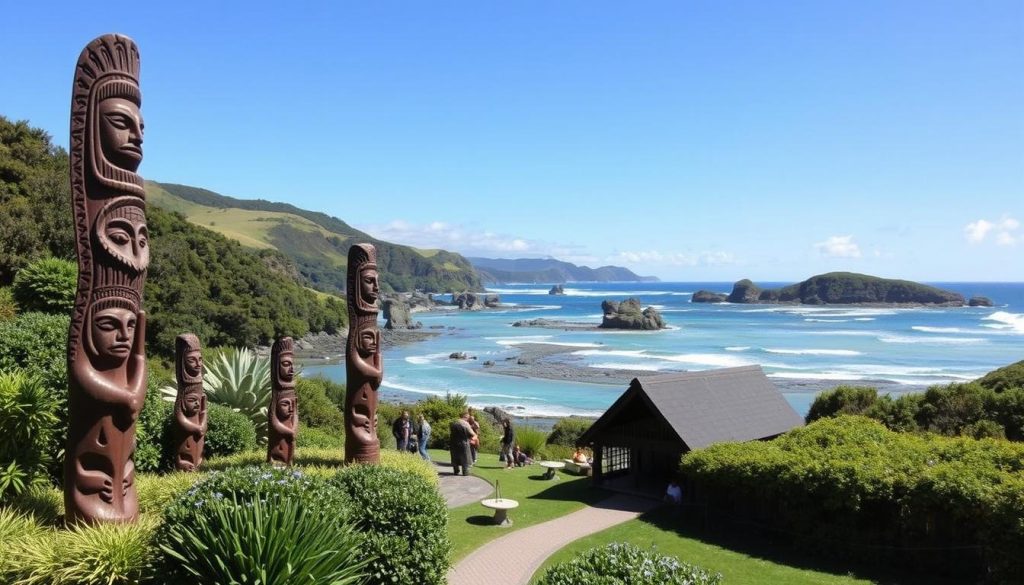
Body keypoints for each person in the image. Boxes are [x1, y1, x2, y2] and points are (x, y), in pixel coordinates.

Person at [449, 411, 476, 476]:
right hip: (463, 443)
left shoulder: (454, 423)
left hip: (453, 443)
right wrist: (473, 439)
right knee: (465, 459)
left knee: (454, 457)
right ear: (465, 416)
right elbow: (472, 434)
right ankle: (465, 472)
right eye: (468, 417)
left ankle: (456, 471)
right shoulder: (465, 424)